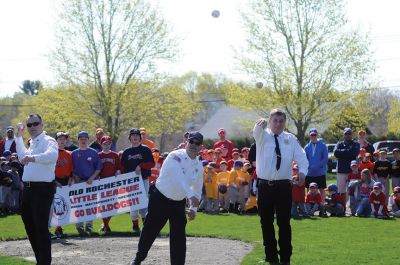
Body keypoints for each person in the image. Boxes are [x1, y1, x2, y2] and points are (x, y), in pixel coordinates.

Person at [129, 131, 203, 265]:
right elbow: (178, 176)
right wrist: (190, 195)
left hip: (178, 203)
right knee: (150, 230)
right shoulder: (175, 156)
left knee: (179, 237)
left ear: (201, 147)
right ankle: (138, 259)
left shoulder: (198, 165)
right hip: (160, 199)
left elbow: (198, 188)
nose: (193, 145)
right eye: (191, 141)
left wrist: (194, 209)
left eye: (197, 143)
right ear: (187, 141)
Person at [253, 109, 308, 265]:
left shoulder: (290, 139)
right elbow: (256, 131)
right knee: (266, 223)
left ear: (285, 123)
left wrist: (303, 173)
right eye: (275, 120)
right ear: (270, 121)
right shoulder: (262, 136)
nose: (278, 124)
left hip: (284, 187)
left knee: (284, 223)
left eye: (281, 121)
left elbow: (302, 159)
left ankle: (285, 259)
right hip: (265, 187)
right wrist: (260, 124)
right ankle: (271, 258)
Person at [16, 113, 58, 265]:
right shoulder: (32, 142)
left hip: (42, 189)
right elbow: (22, 157)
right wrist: (19, 137)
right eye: (29, 125)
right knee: (30, 228)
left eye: (35, 123)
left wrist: (33, 158)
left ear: (42, 124)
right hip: (28, 190)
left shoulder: (48, 140)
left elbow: (52, 156)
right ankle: (40, 261)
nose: (32, 127)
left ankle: (44, 262)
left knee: (40, 228)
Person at [121, 128, 155, 236]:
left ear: (140, 138)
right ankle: (135, 226)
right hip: (131, 182)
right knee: (133, 204)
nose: (135, 137)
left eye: (137, 135)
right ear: (130, 138)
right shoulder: (126, 152)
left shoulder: (145, 149)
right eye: (133, 135)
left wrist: (141, 165)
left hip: (143, 179)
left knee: (144, 202)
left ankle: (146, 225)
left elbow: (152, 164)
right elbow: (122, 167)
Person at [71, 131, 103, 235]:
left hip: (90, 182)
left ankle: (89, 227)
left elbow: (99, 167)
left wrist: (92, 178)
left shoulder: (93, 152)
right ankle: (79, 227)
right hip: (78, 182)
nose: (83, 140)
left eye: (85, 138)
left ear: (88, 140)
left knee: (91, 205)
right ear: (78, 140)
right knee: (79, 205)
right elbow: (71, 169)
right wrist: (74, 177)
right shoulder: (74, 153)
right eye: (81, 138)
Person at [98, 135, 121, 232]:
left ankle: (105, 224)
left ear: (111, 144)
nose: (106, 146)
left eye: (108, 144)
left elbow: (119, 167)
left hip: (113, 184)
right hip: (102, 183)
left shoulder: (115, 155)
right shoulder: (99, 155)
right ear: (101, 144)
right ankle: (106, 226)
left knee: (113, 206)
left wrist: (119, 171)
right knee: (104, 206)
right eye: (104, 144)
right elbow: (96, 168)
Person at [54, 132, 74, 238]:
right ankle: (56, 228)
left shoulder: (69, 154)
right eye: (60, 139)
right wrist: (54, 182)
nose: (62, 140)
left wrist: (71, 179)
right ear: (56, 140)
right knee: (55, 206)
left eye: (64, 139)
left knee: (64, 206)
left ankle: (58, 228)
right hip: (55, 181)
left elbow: (71, 169)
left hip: (66, 181)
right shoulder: (52, 153)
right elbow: (49, 170)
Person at [333, 128, 360, 202]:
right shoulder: (339, 144)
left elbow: (355, 153)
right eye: (346, 134)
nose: (348, 135)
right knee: (341, 191)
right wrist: (348, 150)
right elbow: (336, 153)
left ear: (352, 134)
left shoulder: (356, 144)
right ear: (343, 135)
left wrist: (342, 153)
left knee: (352, 191)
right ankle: (342, 208)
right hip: (341, 171)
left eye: (349, 133)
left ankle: (352, 208)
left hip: (352, 172)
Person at [303, 128, 328, 200]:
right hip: (309, 173)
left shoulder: (323, 145)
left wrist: (319, 166)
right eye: (312, 135)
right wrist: (309, 167)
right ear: (310, 136)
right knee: (308, 190)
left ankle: (322, 206)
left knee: (322, 190)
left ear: (317, 135)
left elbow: (325, 158)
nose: (313, 136)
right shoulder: (306, 147)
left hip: (320, 172)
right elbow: (305, 159)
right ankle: (308, 205)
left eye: (314, 135)